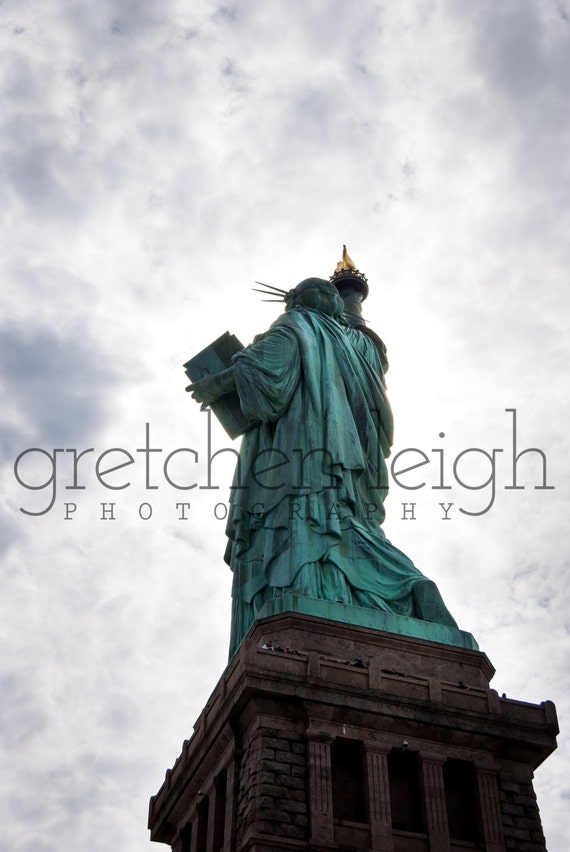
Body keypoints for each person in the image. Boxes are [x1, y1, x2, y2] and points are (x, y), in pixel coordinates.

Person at [189, 272, 457, 657]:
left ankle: (310, 595)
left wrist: (215, 384)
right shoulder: (354, 345)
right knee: (340, 523)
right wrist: (353, 296)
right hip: (342, 458)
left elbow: (268, 376)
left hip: (294, 450)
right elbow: (372, 347)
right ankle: (400, 588)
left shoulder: (295, 325)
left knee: (297, 522)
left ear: (298, 301)